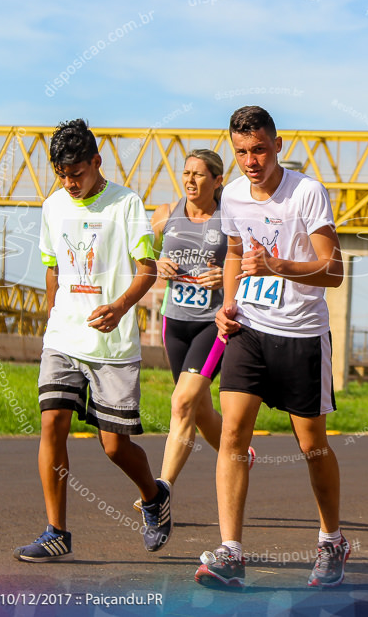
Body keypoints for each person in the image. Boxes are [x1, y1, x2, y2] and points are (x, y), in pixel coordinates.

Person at [195, 106, 347, 589]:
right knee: (234, 434)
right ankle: (231, 552)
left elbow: (334, 271)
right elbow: (237, 252)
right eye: (241, 152)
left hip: (301, 333)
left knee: (312, 445)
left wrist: (279, 266)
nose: (251, 161)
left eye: (259, 149)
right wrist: (228, 303)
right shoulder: (234, 195)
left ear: (277, 144)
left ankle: (331, 540)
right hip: (250, 330)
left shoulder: (306, 193)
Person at [13, 118, 171, 562]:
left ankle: (154, 496)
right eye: (61, 174)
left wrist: (120, 307)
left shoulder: (127, 205)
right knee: (52, 424)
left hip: (112, 343)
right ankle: (56, 532)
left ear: (96, 162)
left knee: (114, 445)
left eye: (76, 173)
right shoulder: (53, 206)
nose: (69, 183)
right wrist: (53, 315)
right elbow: (52, 267)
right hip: (64, 336)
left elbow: (148, 269)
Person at [138, 150, 254, 510]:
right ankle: (240, 455)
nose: (190, 180)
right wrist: (157, 263)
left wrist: (227, 275)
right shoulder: (164, 214)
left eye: (199, 175)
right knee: (199, 410)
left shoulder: (229, 219)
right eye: (186, 173)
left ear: (217, 181)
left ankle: (161, 491)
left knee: (183, 401)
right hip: (174, 323)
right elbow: (135, 252)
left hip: (211, 324)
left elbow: (254, 262)